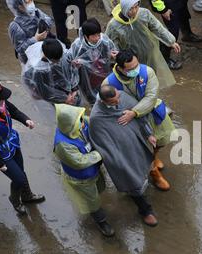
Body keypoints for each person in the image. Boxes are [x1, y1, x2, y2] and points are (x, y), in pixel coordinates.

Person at [102, 49, 176, 191]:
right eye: (131, 69)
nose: (136, 70)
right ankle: (154, 173)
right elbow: (108, 106)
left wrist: (135, 112)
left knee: (162, 140)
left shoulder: (147, 72)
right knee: (142, 150)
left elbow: (151, 97)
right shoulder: (109, 83)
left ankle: (155, 156)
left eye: (137, 65)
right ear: (120, 68)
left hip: (150, 112)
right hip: (130, 122)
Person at [90, 85, 159, 227]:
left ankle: (145, 182)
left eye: (117, 98)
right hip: (121, 154)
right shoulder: (97, 117)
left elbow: (141, 115)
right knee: (130, 177)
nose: (118, 103)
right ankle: (145, 210)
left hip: (137, 145)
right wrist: (116, 160)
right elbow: (103, 144)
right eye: (113, 102)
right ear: (103, 102)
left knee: (144, 167)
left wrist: (149, 134)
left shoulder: (122, 96)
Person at [53, 104, 114, 237]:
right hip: (82, 177)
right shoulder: (62, 144)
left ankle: (97, 209)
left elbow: (94, 122)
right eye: (79, 120)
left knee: (98, 188)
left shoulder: (81, 122)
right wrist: (101, 153)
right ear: (70, 124)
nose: (82, 122)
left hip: (94, 168)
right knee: (91, 200)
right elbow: (79, 162)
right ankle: (101, 221)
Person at [105, 0, 181, 89]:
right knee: (135, 79)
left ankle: (151, 90)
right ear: (124, 8)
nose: (134, 11)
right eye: (130, 9)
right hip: (130, 58)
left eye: (136, 6)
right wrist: (116, 57)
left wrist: (170, 41)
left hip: (148, 51)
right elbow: (111, 44)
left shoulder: (144, 13)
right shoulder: (114, 25)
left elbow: (157, 27)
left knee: (150, 74)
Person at [0, 83, 45, 215]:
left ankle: (27, 196)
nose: (3, 101)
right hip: (1, 154)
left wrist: (26, 120)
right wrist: (0, 163)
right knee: (18, 178)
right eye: (0, 99)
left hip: (11, 142)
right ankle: (15, 200)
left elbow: (15, 112)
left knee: (21, 171)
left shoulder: (3, 104)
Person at [68, 18, 118, 105]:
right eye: (94, 36)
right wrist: (75, 65)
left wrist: (112, 56)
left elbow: (111, 51)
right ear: (86, 36)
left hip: (103, 72)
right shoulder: (77, 46)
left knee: (107, 90)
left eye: (98, 34)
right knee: (92, 96)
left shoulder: (104, 40)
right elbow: (70, 62)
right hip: (87, 77)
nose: (97, 38)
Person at [22, 38, 81, 106]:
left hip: (67, 91)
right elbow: (44, 92)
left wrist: (74, 89)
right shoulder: (38, 70)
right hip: (54, 98)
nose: (59, 61)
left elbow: (70, 72)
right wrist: (64, 98)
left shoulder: (60, 54)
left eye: (60, 58)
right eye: (55, 60)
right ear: (46, 56)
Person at [150, 0, 202, 70]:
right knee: (173, 31)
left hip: (179, 2)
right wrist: (163, 10)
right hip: (168, 6)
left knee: (184, 16)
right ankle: (165, 59)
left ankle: (187, 34)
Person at [6, 0, 54, 64]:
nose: (31, 4)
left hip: (45, 53)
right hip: (30, 61)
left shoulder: (36, 12)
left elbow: (50, 21)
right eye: (27, 2)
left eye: (31, 0)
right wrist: (35, 39)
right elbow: (20, 49)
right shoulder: (15, 26)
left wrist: (44, 27)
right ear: (20, 7)